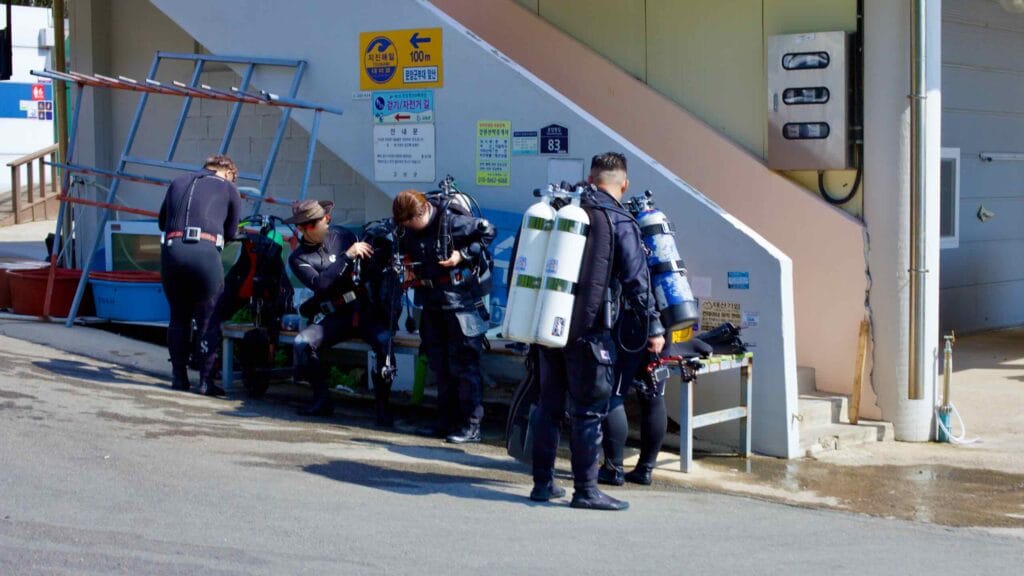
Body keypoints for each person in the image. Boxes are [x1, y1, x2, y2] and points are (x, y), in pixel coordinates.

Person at [529, 152, 664, 511]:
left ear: (590, 178)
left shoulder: (560, 207)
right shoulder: (618, 218)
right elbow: (637, 279)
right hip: (590, 329)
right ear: (624, 185)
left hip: (548, 323)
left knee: (548, 405)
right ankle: (586, 489)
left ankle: (543, 484)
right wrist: (653, 325)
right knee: (589, 410)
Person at [392, 188, 496, 444]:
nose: (410, 228)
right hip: (432, 301)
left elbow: (488, 231)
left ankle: (471, 425)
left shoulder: (452, 221)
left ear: (424, 210)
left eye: (412, 223)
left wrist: (463, 254)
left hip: (461, 301)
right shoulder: (406, 227)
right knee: (439, 364)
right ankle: (444, 421)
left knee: (464, 364)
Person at [286, 199, 396, 423]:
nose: (326, 224)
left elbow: (373, 265)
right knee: (302, 343)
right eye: (318, 222)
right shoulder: (299, 258)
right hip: (337, 314)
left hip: (366, 309)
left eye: (326, 219)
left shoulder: (342, 236)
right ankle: (321, 399)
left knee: (385, 344)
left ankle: (383, 408)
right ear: (303, 228)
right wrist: (347, 257)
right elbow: (321, 285)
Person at [159, 154, 241, 396]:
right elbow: (231, 231)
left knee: (178, 317)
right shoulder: (228, 188)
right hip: (204, 253)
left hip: (172, 252)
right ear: (228, 173)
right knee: (208, 319)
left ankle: (179, 377)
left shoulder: (178, 181)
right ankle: (205, 382)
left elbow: (162, 222)